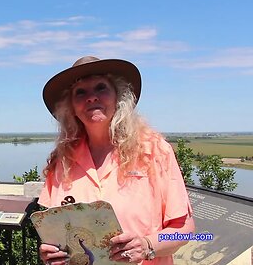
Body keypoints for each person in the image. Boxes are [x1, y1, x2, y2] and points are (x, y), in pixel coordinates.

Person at [37, 56, 194, 264]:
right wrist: (50, 252)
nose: (91, 97)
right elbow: (54, 232)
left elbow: (185, 229)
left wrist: (147, 246)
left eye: (101, 88)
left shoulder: (154, 151)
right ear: (71, 107)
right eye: (80, 92)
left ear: (119, 97)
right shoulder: (62, 161)